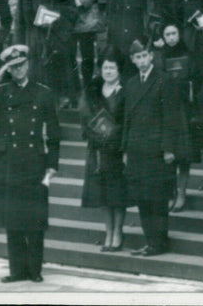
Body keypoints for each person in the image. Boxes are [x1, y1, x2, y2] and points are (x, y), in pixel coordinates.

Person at [0, 45, 60, 283]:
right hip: (8, 163)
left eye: (21, 65)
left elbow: (54, 131)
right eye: (12, 67)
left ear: (28, 65)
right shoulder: (2, 91)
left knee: (34, 218)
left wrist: (52, 164)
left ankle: (35, 270)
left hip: (34, 161)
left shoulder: (43, 92)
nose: (18, 70)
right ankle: (17, 270)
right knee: (12, 219)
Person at [123, 38, 180, 256]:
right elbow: (127, 118)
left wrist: (168, 148)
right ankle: (150, 241)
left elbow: (171, 117)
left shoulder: (164, 80)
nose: (141, 60)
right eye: (137, 57)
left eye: (144, 55)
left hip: (156, 149)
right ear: (133, 60)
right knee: (142, 198)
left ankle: (159, 242)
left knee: (157, 197)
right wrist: (126, 149)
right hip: (137, 149)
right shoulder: (131, 84)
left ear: (151, 56)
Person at [79, 47, 130, 251]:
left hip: (117, 149)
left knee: (118, 195)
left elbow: (128, 120)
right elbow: (84, 120)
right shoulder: (92, 92)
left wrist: (117, 138)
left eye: (112, 68)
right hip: (97, 150)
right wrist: (96, 136)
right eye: (105, 67)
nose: (108, 71)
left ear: (119, 71)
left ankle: (118, 231)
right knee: (103, 195)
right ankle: (108, 231)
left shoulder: (125, 91)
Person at [15, 0, 77, 106]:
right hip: (32, 39)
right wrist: (19, 44)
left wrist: (51, 16)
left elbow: (71, 10)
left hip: (54, 38)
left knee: (53, 80)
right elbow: (20, 17)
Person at [154, 23, 201, 212]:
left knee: (184, 154)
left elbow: (197, 78)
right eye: (167, 34)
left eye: (174, 33)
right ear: (163, 37)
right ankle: (170, 193)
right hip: (166, 110)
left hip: (184, 108)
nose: (171, 37)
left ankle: (182, 192)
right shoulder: (159, 57)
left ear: (179, 35)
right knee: (168, 155)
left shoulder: (189, 53)